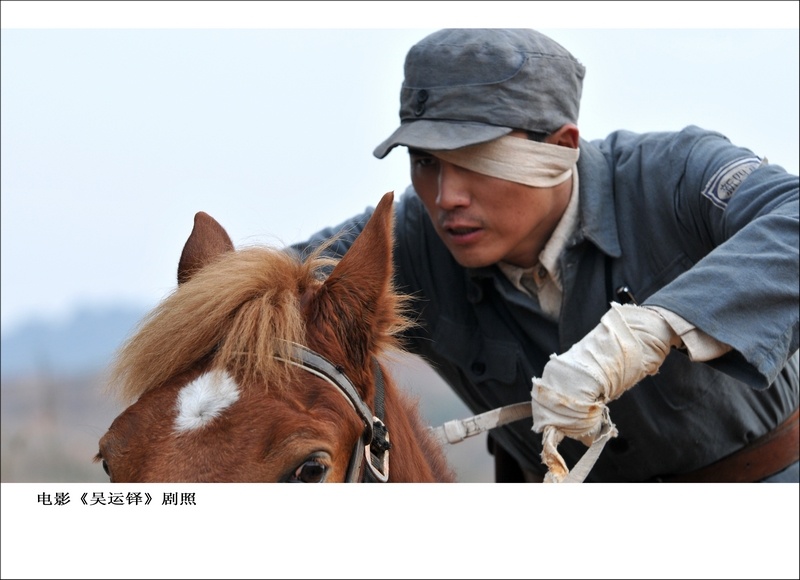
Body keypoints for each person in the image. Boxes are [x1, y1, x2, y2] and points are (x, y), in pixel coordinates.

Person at [292, 28, 799, 483]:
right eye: (424, 162)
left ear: (561, 146)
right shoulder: (406, 241)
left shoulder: (676, 177)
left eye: (475, 160)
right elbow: (256, 289)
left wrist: (655, 328)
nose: (445, 197)